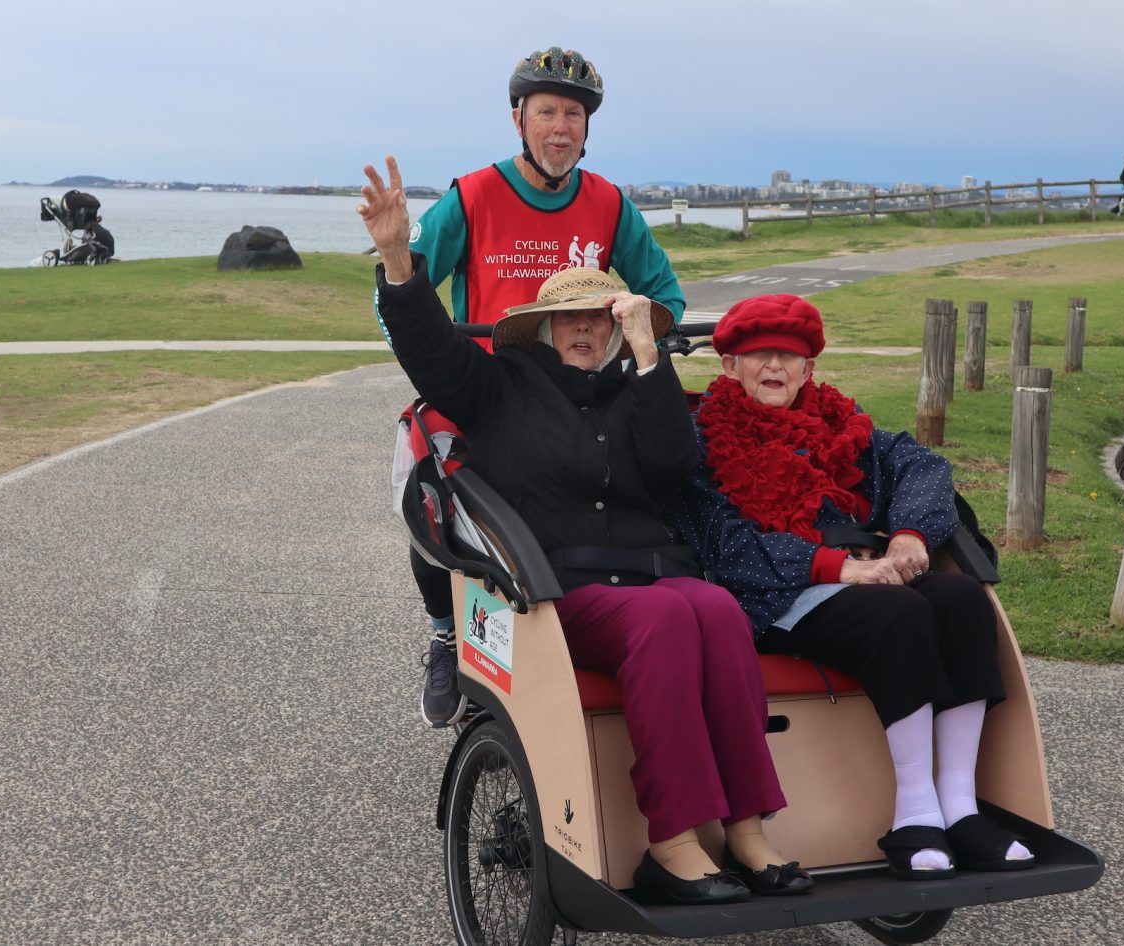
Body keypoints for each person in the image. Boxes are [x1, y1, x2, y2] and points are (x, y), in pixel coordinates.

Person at [357, 156, 812, 904]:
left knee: (719, 611)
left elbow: (674, 460)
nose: (582, 329)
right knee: (669, 615)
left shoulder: (631, 388)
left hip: (652, 574)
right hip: (557, 585)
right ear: (540, 327)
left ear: (613, 325)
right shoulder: (500, 387)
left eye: (598, 317)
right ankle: (670, 844)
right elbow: (429, 350)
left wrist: (646, 353)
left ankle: (746, 828)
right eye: (568, 317)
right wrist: (400, 259)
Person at [665, 294, 1037, 881]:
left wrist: (911, 536)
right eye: (757, 354)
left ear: (809, 369)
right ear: (728, 366)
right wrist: (837, 566)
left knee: (963, 599)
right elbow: (724, 545)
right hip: (774, 595)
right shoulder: (699, 442)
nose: (774, 368)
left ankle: (960, 807)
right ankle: (917, 813)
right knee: (897, 614)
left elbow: (924, 466)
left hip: (869, 575)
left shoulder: (844, 424)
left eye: (789, 357)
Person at [390, 46, 686, 727]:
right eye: (547, 111)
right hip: (485, 386)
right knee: (435, 499)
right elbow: (403, 289)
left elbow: (663, 295)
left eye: (574, 115)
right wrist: (422, 352)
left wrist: (643, 342)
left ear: (588, 128)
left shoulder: (610, 204)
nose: (561, 127)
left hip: (575, 390)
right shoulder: (473, 196)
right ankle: (445, 629)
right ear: (519, 119)